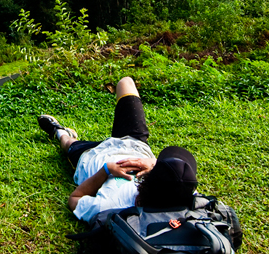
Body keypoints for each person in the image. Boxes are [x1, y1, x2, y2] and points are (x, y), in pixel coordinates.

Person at [37, 76, 203, 221]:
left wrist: (106, 170)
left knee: (68, 144)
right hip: (134, 143)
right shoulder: (182, 192)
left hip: (91, 157)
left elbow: (74, 199)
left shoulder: (111, 206)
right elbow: (179, 177)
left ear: (147, 183)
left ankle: (59, 131)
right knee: (125, 82)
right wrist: (152, 163)